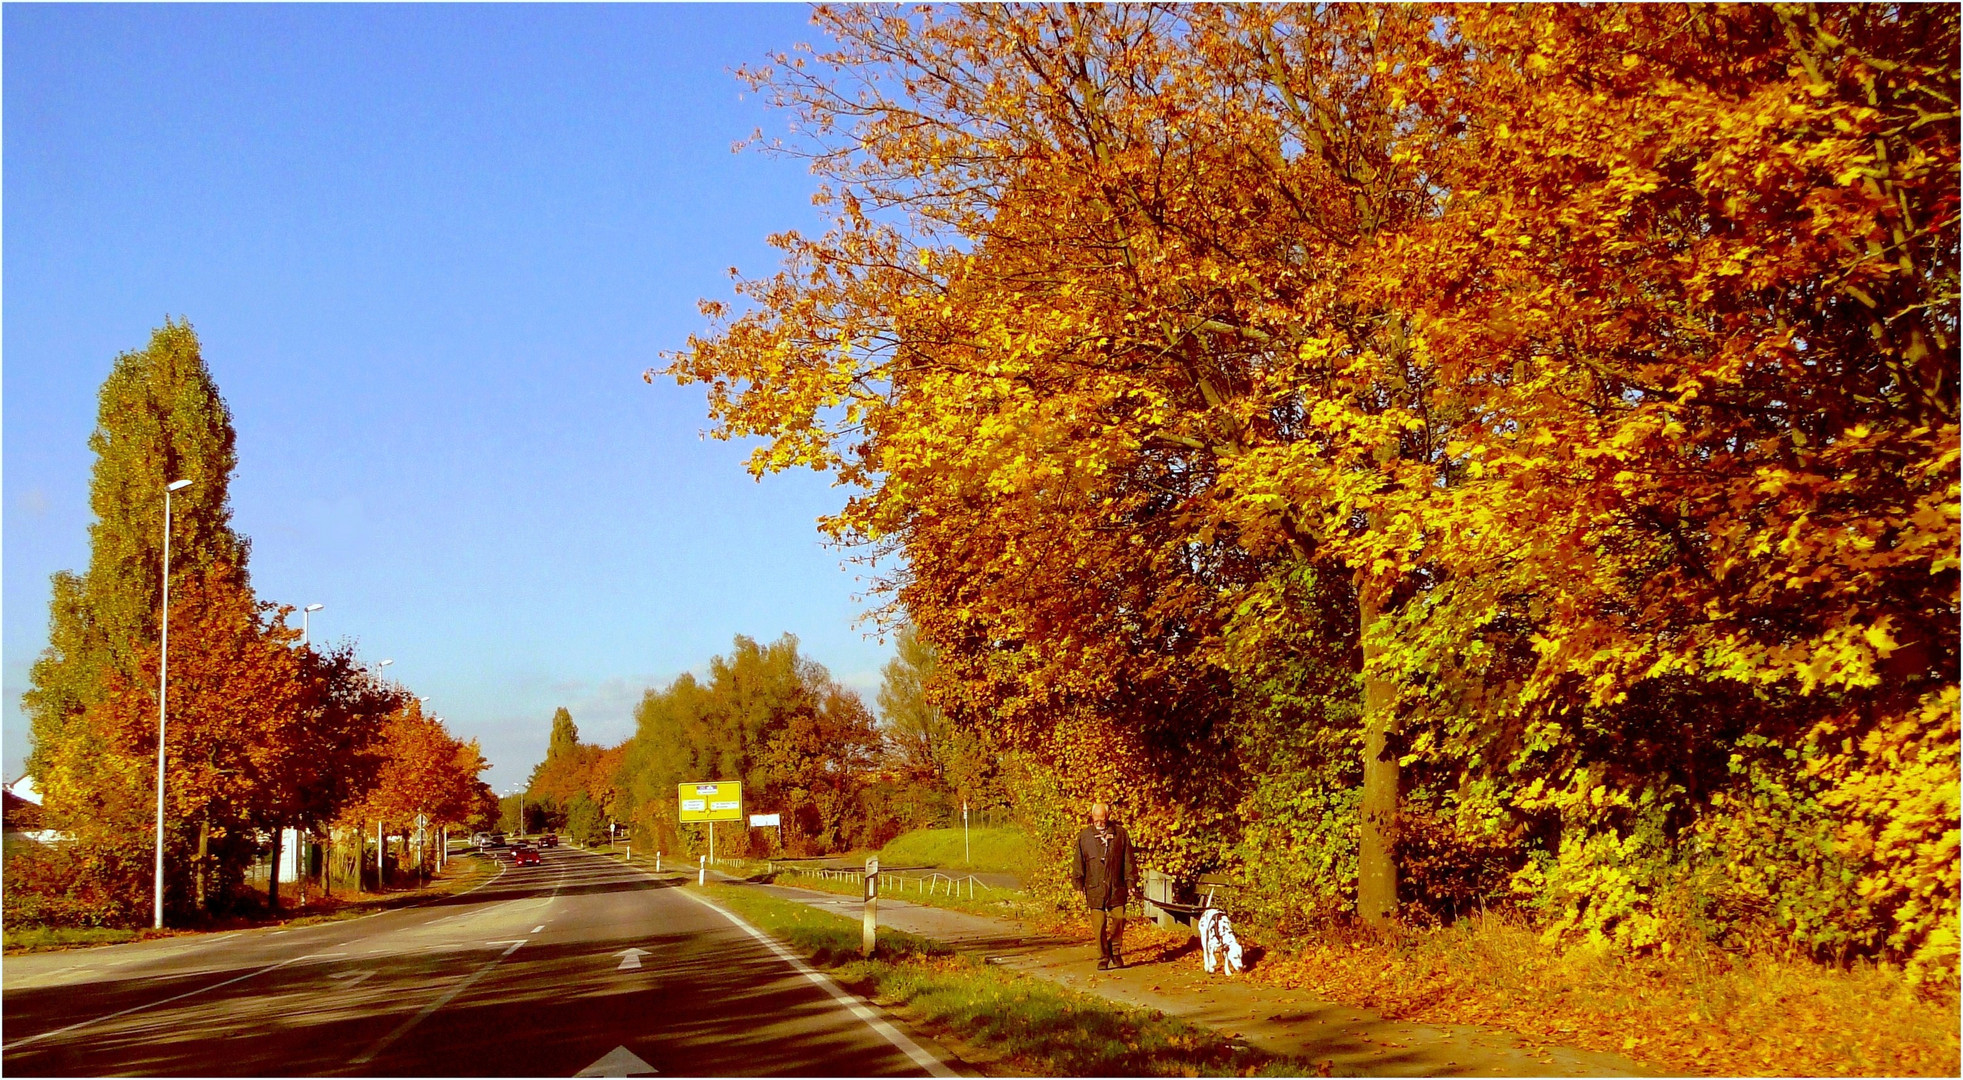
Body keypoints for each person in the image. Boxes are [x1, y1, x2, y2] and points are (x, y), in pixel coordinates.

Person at [1070, 801, 1135, 970]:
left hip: (1116, 887)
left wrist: (1131, 882)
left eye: (1102, 817)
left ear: (1108, 816)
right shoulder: (1084, 837)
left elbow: (1128, 861)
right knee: (1099, 924)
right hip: (1095, 887)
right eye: (1096, 817)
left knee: (1119, 917)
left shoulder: (1120, 834)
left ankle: (1115, 950)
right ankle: (1103, 957)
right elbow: (1079, 863)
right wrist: (1078, 885)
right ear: (1092, 817)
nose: (1099, 820)